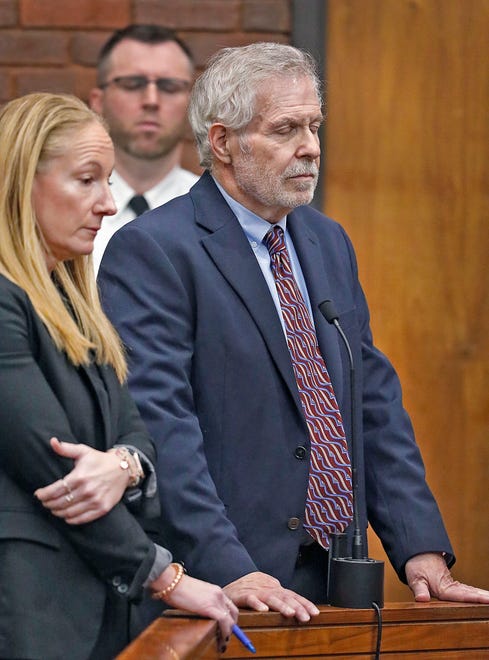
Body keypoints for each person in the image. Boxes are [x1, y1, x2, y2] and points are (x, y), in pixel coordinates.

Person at [97, 43, 489, 622]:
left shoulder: (327, 240)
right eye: (285, 129)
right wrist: (230, 567)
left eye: (313, 126)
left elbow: (370, 400)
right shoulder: (155, 250)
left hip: (332, 573)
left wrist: (419, 546)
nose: (310, 146)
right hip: (220, 582)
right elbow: (163, 426)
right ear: (224, 141)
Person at [0, 92, 238, 660]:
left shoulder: (76, 303)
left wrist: (123, 465)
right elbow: (58, 473)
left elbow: (136, 433)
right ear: (18, 182)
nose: (108, 204)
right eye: (87, 180)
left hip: (103, 614)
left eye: (108, 181)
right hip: (28, 614)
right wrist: (168, 578)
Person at [88, 24, 199, 273]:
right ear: (98, 101)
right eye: (132, 84)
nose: (151, 100)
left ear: (192, 106)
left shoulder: (217, 213)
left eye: (169, 86)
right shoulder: (64, 215)